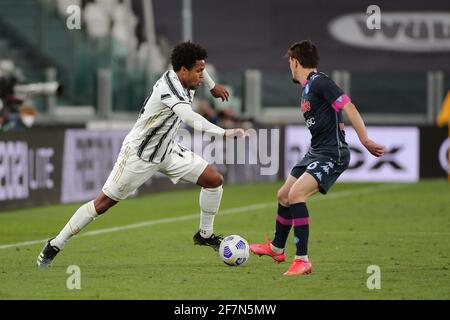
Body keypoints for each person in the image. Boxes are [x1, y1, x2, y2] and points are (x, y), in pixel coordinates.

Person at [37, 41, 245, 268]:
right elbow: (189, 118)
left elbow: (201, 76)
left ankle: (205, 235)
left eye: (203, 71)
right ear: (183, 71)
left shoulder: (187, 77)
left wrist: (213, 85)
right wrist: (224, 132)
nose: (201, 76)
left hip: (167, 150)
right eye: (199, 71)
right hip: (140, 154)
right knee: (103, 203)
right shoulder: (170, 88)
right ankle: (56, 243)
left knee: (214, 180)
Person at [250, 40, 385, 276]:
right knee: (283, 195)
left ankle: (302, 260)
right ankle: (277, 248)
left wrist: (364, 139)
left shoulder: (320, 82)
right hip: (316, 151)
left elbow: (348, 106)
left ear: (295, 61)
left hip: (332, 153)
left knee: (296, 195)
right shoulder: (308, 87)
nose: (289, 67)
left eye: (289, 62)